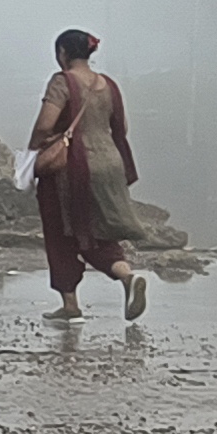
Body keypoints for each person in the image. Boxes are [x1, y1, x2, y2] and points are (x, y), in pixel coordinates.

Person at [30, 29, 146, 320]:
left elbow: (46, 124)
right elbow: (123, 128)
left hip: (71, 169)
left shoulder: (62, 82)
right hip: (108, 164)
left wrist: (34, 151)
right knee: (99, 230)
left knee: (62, 231)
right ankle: (127, 276)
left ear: (62, 53)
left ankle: (70, 305)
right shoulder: (108, 85)